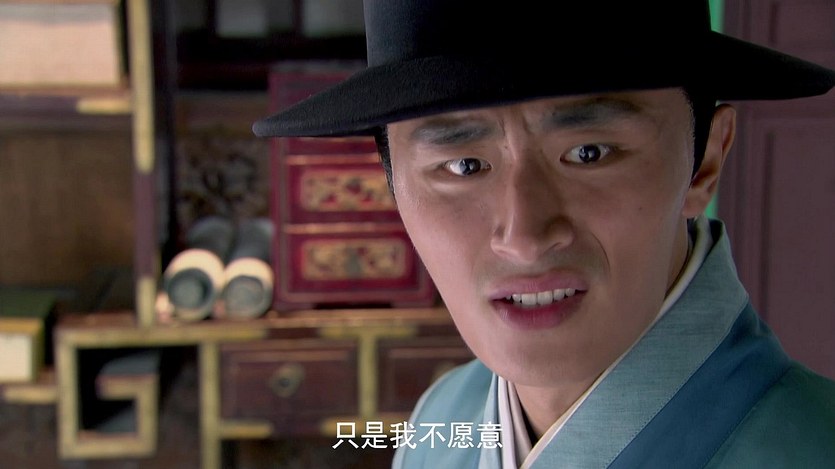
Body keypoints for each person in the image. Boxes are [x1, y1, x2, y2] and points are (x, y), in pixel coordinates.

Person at [253, 1, 835, 467]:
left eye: (589, 153)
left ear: (704, 162)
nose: (524, 237)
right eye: (463, 165)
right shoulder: (442, 422)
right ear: (392, 185)